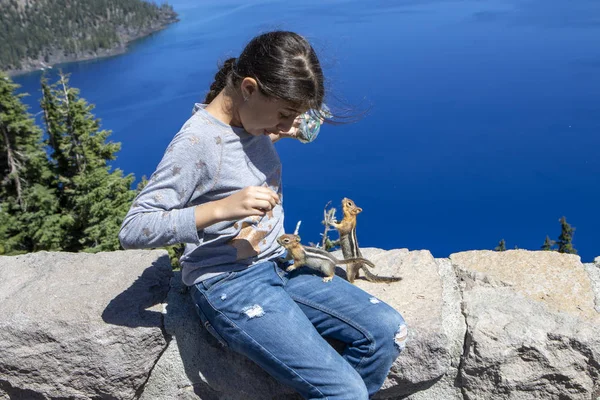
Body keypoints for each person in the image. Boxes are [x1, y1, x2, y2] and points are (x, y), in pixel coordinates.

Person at [119, 30, 407, 400]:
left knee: (388, 330)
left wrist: (289, 127)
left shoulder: (252, 122)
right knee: (344, 391)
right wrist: (220, 209)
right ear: (249, 88)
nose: (287, 126)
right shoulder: (197, 143)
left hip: (281, 265)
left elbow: (259, 141)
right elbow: (133, 228)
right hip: (228, 285)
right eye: (284, 115)